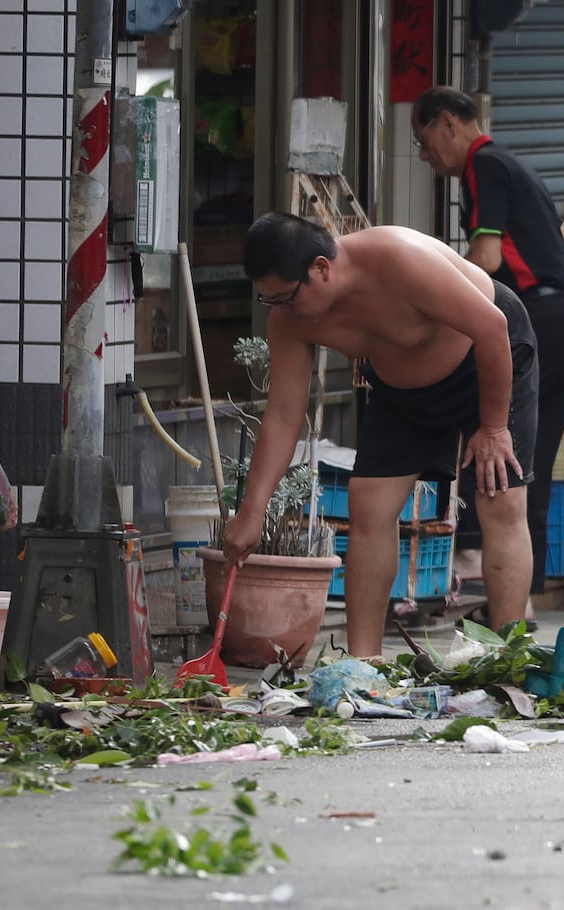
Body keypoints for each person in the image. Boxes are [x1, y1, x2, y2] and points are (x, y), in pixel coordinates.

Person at [225, 213, 539, 658]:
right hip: (400, 386)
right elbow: (282, 415)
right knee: (368, 504)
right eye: (269, 300)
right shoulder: (290, 319)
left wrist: (493, 428)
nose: (281, 310)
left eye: (286, 298)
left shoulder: (397, 258)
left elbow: (492, 326)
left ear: (320, 269)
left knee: (500, 498)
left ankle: (511, 658)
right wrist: (252, 512)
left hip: (486, 358)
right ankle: (363, 663)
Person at [411, 86, 564, 630]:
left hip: (534, 324)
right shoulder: (518, 168)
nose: (426, 157)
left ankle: (470, 559)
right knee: (525, 457)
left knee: (496, 443)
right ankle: (521, 603)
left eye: (424, 142)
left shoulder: (482, 167)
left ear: (448, 123)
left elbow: (486, 259)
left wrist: (432, 294)